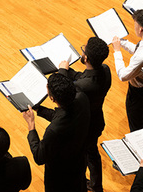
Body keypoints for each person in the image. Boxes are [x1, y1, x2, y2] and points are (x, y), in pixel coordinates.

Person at [50, 37, 111, 192]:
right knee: (92, 153)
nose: (82, 51)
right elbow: (82, 76)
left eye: (83, 50)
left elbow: (66, 90)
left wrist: (62, 72)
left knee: (80, 158)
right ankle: (96, 186)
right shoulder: (105, 69)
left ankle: (83, 185)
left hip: (84, 127)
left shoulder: (82, 87)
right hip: (97, 121)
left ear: (86, 58)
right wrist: (67, 70)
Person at [23, 73, 90, 192]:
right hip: (79, 163)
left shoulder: (54, 130)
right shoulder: (82, 98)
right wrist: (39, 109)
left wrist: (31, 126)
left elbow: (39, 156)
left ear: (52, 99)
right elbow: (60, 115)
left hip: (60, 177)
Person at [112, 9, 143, 132]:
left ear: (141, 30)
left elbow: (123, 76)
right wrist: (121, 43)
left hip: (140, 93)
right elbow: (138, 50)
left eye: (135, 24)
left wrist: (117, 51)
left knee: (137, 124)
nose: (134, 26)